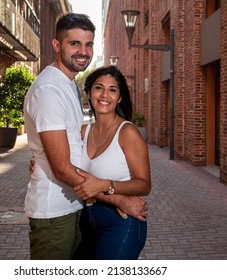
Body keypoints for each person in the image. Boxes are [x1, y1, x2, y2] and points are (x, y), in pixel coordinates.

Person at [23, 13, 147, 260]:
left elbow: (65, 151)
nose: (83, 51)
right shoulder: (50, 90)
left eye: (88, 44)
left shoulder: (67, 84)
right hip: (54, 212)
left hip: (75, 209)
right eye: (74, 43)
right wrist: (119, 199)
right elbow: (61, 168)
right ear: (57, 45)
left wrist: (40, 158)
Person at [73, 65, 151, 260]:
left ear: (120, 97)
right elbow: (64, 166)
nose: (104, 95)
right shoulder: (83, 132)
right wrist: (38, 164)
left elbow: (144, 184)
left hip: (120, 221)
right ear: (89, 93)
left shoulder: (127, 133)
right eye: (99, 88)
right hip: (84, 220)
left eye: (112, 89)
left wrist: (106, 184)